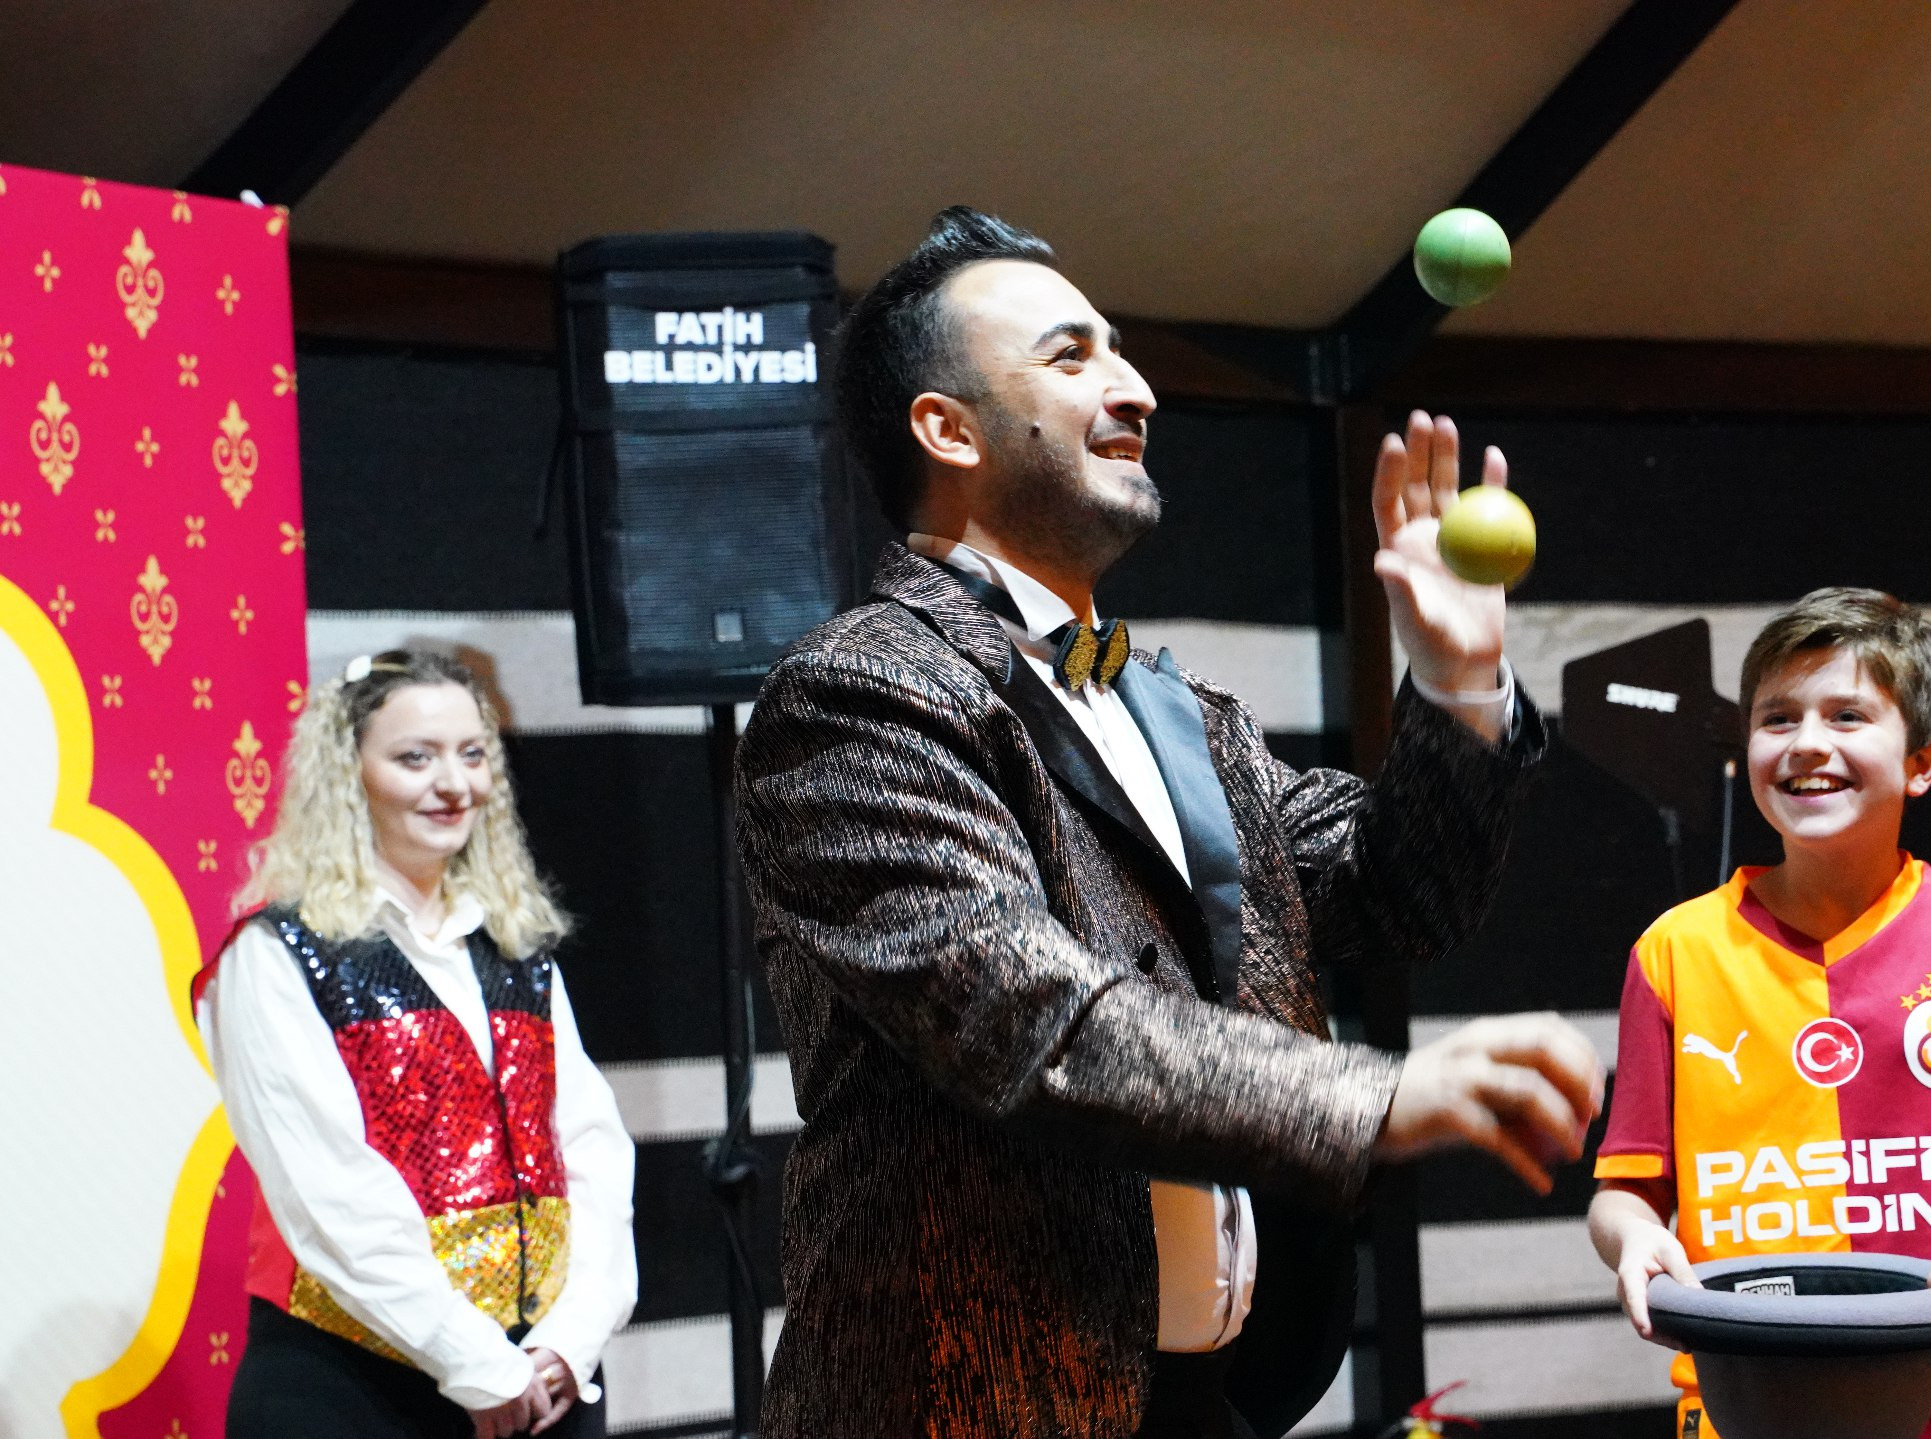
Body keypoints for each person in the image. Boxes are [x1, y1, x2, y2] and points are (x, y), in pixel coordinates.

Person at [736, 206, 1601, 1439]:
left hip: (1208, 1397)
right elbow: (1022, 1011)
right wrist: (1372, 1098)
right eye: (1071, 354)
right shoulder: (855, 692)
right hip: (971, 1405)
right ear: (947, 428)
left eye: (1122, 350)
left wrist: (1458, 686)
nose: (1135, 387)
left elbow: (1396, 890)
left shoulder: (1175, 704)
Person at [1586, 586, 1931, 1437]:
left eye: (1847, 715)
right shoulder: (1673, 950)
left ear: (1923, 762)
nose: (1808, 741)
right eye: (1777, 717)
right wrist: (1632, 1241)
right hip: (1752, 1397)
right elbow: (1623, 1196)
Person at [199, 650, 636, 1439]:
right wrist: (475, 1362)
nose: (454, 783)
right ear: (348, 774)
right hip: (353, 1387)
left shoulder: (514, 943)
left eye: (472, 753)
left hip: (541, 1380)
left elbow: (593, 1149)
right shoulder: (275, 953)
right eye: (415, 757)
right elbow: (328, 1191)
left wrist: (573, 1337)